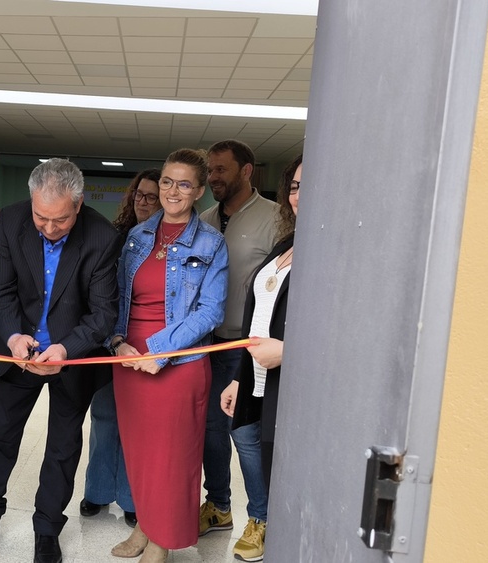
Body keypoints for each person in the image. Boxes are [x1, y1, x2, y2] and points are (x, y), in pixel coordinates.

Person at [0, 158, 119, 563]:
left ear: (79, 205)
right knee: (0, 433)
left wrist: (65, 350)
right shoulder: (13, 222)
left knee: (63, 446)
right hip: (18, 352)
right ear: (30, 203)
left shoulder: (102, 236)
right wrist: (14, 336)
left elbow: (102, 313)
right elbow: (1, 291)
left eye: (61, 220)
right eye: (41, 218)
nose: (49, 228)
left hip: (71, 355)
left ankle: (48, 528)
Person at [107, 148, 228, 563]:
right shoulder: (138, 236)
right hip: (128, 360)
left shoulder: (212, 243)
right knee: (139, 451)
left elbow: (210, 311)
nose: (171, 191)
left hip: (179, 362)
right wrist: (117, 340)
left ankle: (161, 541)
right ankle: (144, 525)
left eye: (183, 184)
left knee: (172, 457)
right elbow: (119, 295)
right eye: (165, 181)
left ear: (198, 192)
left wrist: (160, 351)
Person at [197, 140, 277, 561]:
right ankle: (220, 507)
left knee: (244, 436)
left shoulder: (275, 218)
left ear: (246, 171)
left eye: (221, 170)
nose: (213, 178)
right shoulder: (205, 219)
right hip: (207, 345)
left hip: (248, 349)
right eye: (210, 170)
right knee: (211, 431)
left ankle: (260, 519)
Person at [221, 155, 301, 531]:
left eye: (310, 185)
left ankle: (272, 526)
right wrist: (239, 376)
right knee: (243, 433)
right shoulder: (287, 241)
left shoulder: (337, 249)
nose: (300, 195)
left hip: (292, 380)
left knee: (277, 456)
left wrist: (288, 351)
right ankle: (262, 517)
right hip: (255, 371)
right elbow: (260, 312)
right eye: (296, 187)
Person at [79, 168, 162, 527]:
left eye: (152, 197)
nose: (143, 202)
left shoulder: (166, 242)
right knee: (104, 417)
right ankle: (97, 491)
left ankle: (131, 498)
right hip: (108, 341)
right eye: (139, 195)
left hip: (146, 347)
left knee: (136, 425)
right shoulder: (115, 237)